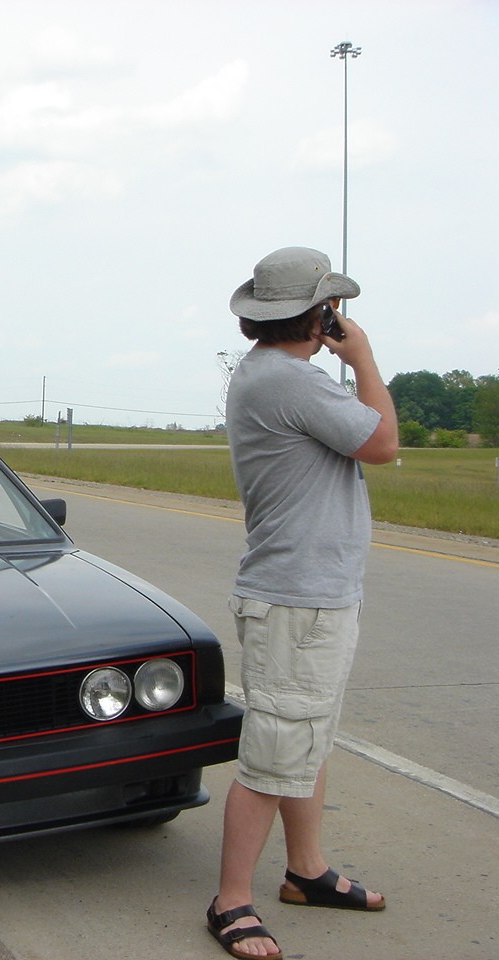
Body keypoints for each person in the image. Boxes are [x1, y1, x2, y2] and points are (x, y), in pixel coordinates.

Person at [207, 247, 397, 960]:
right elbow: (382, 443)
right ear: (317, 315)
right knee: (274, 755)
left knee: (305, 742)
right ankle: (231, 901)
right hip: (297, 603)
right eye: (329, 308)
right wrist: (364, 357)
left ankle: (306, 871)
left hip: (311, 598)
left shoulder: (269, 373)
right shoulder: (289, 380)